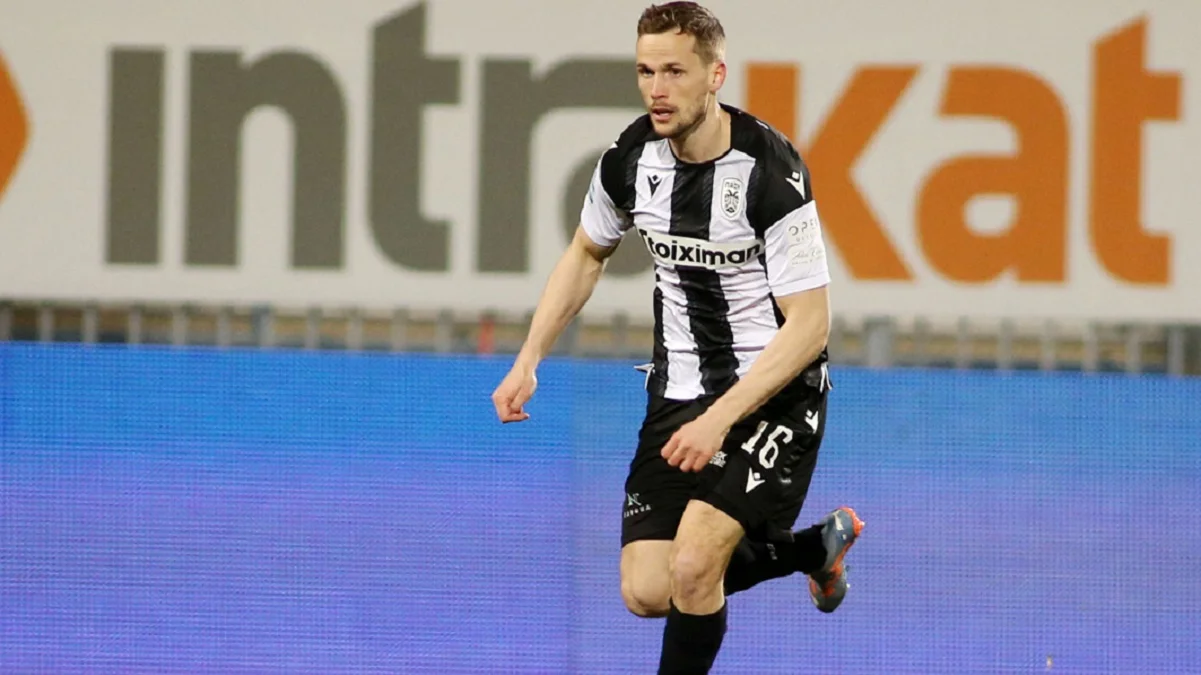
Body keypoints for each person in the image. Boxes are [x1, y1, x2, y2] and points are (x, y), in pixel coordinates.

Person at [490, 2, 863, 673]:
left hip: (773, 395)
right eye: (645, 71)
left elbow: (810, 324)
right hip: (678, 392)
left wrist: (718, 421)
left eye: (674, 71)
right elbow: (586, 252)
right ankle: (812, 549)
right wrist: (528, 358)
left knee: (693, 564)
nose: (656, 89)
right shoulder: (629, 159)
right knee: (647, 589)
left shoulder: (769, 170)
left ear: (715, 75)